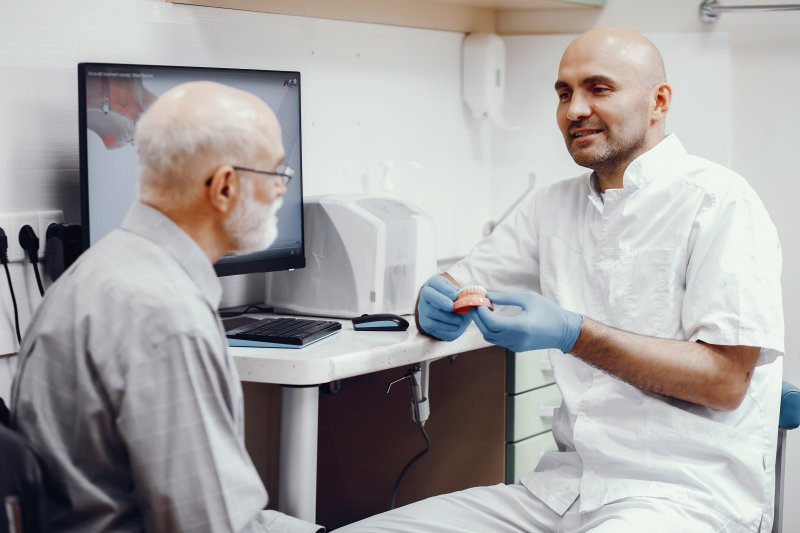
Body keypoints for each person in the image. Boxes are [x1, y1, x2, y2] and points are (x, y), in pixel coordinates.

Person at [337, 27, 784, 533]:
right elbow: (462, 280)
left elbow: (725, 380)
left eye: (599, 88)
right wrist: (434, 299)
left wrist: (574, 333)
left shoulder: (720, 201)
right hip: (562, 490)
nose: (574, 110)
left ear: (658, 101)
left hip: (681, 497)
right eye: (564, 93)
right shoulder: (552, 206)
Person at [10, 81, 324, 533]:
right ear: (224, 187)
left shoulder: (102, 269)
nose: (281, 191)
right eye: (276, 173)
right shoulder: (167, 320)